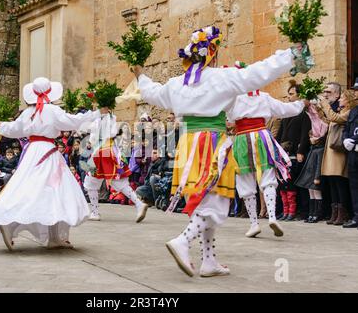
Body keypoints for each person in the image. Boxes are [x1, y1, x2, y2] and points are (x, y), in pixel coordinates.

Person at [134, 25, 307, 277]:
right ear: (212, 54)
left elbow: (152, 93)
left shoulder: (175, 84)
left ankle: (208, 260)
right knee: (216, 203)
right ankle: (183, 240)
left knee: (206, 201)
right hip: (212, 144)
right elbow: (259, 72)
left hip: (188, 144)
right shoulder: (221, 78)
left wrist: (140, 74)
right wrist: (292, 53)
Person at [0, 77, 103, 251]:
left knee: (26, 188)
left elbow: (14, 129)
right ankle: (47, 235)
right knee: (55, 191)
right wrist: (97, 112)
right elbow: (73, 121)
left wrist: (1, 125)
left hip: (32, 152)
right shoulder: (53, 111)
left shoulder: (28, 112)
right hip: (48, 152)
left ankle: (23, 228)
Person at [226, 61, 308, 238]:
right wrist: (302, 103)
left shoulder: (232, 98)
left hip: (242, 138)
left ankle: (254, 223)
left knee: (245, 179)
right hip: (262, 135)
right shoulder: (263, 97)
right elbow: (285, 109)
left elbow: (222, 115)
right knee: (268, 176)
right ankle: (271, 216)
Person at [83, 104, 148, 223]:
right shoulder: (111, 117)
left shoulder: (100, 119)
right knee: (119, 181)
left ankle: (95, 212)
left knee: (91, 182)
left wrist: (91, 141)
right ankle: (139, 204)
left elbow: (93, 137)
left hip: (101, 152)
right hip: (111, 150)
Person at [316, 90, 356, 226]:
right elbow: (329, 120)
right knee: (332, 181)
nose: (339, 100)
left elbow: (334, 118)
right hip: (331, 152)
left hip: (338, 152)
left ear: (349, 100)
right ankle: (335, 211)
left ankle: (342, 212)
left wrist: (325, 103)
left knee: (339, 182)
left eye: (342, 98)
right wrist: (319, 109)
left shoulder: (349, 113)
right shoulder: (340, 112)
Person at [276, 83, 312, 221]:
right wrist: (276, 149)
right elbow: (280, 134)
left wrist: (301, 150)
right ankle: (285, 211)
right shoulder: (287, 114)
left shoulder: (303, 114)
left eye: (291, 94)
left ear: (299, 96)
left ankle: (295, 211)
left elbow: (304, 134)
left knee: (294, 183)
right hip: (283, 153)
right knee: (284, 183)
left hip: (295, 153)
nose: (288, 97)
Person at [342, 82, 358, 229]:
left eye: (357, 90)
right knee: (354, 185)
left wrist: (354, 140)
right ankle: (356, 216)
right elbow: (346, 128)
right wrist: (345, 139)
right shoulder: (353, 111)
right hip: (353, 152)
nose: (355, 93)